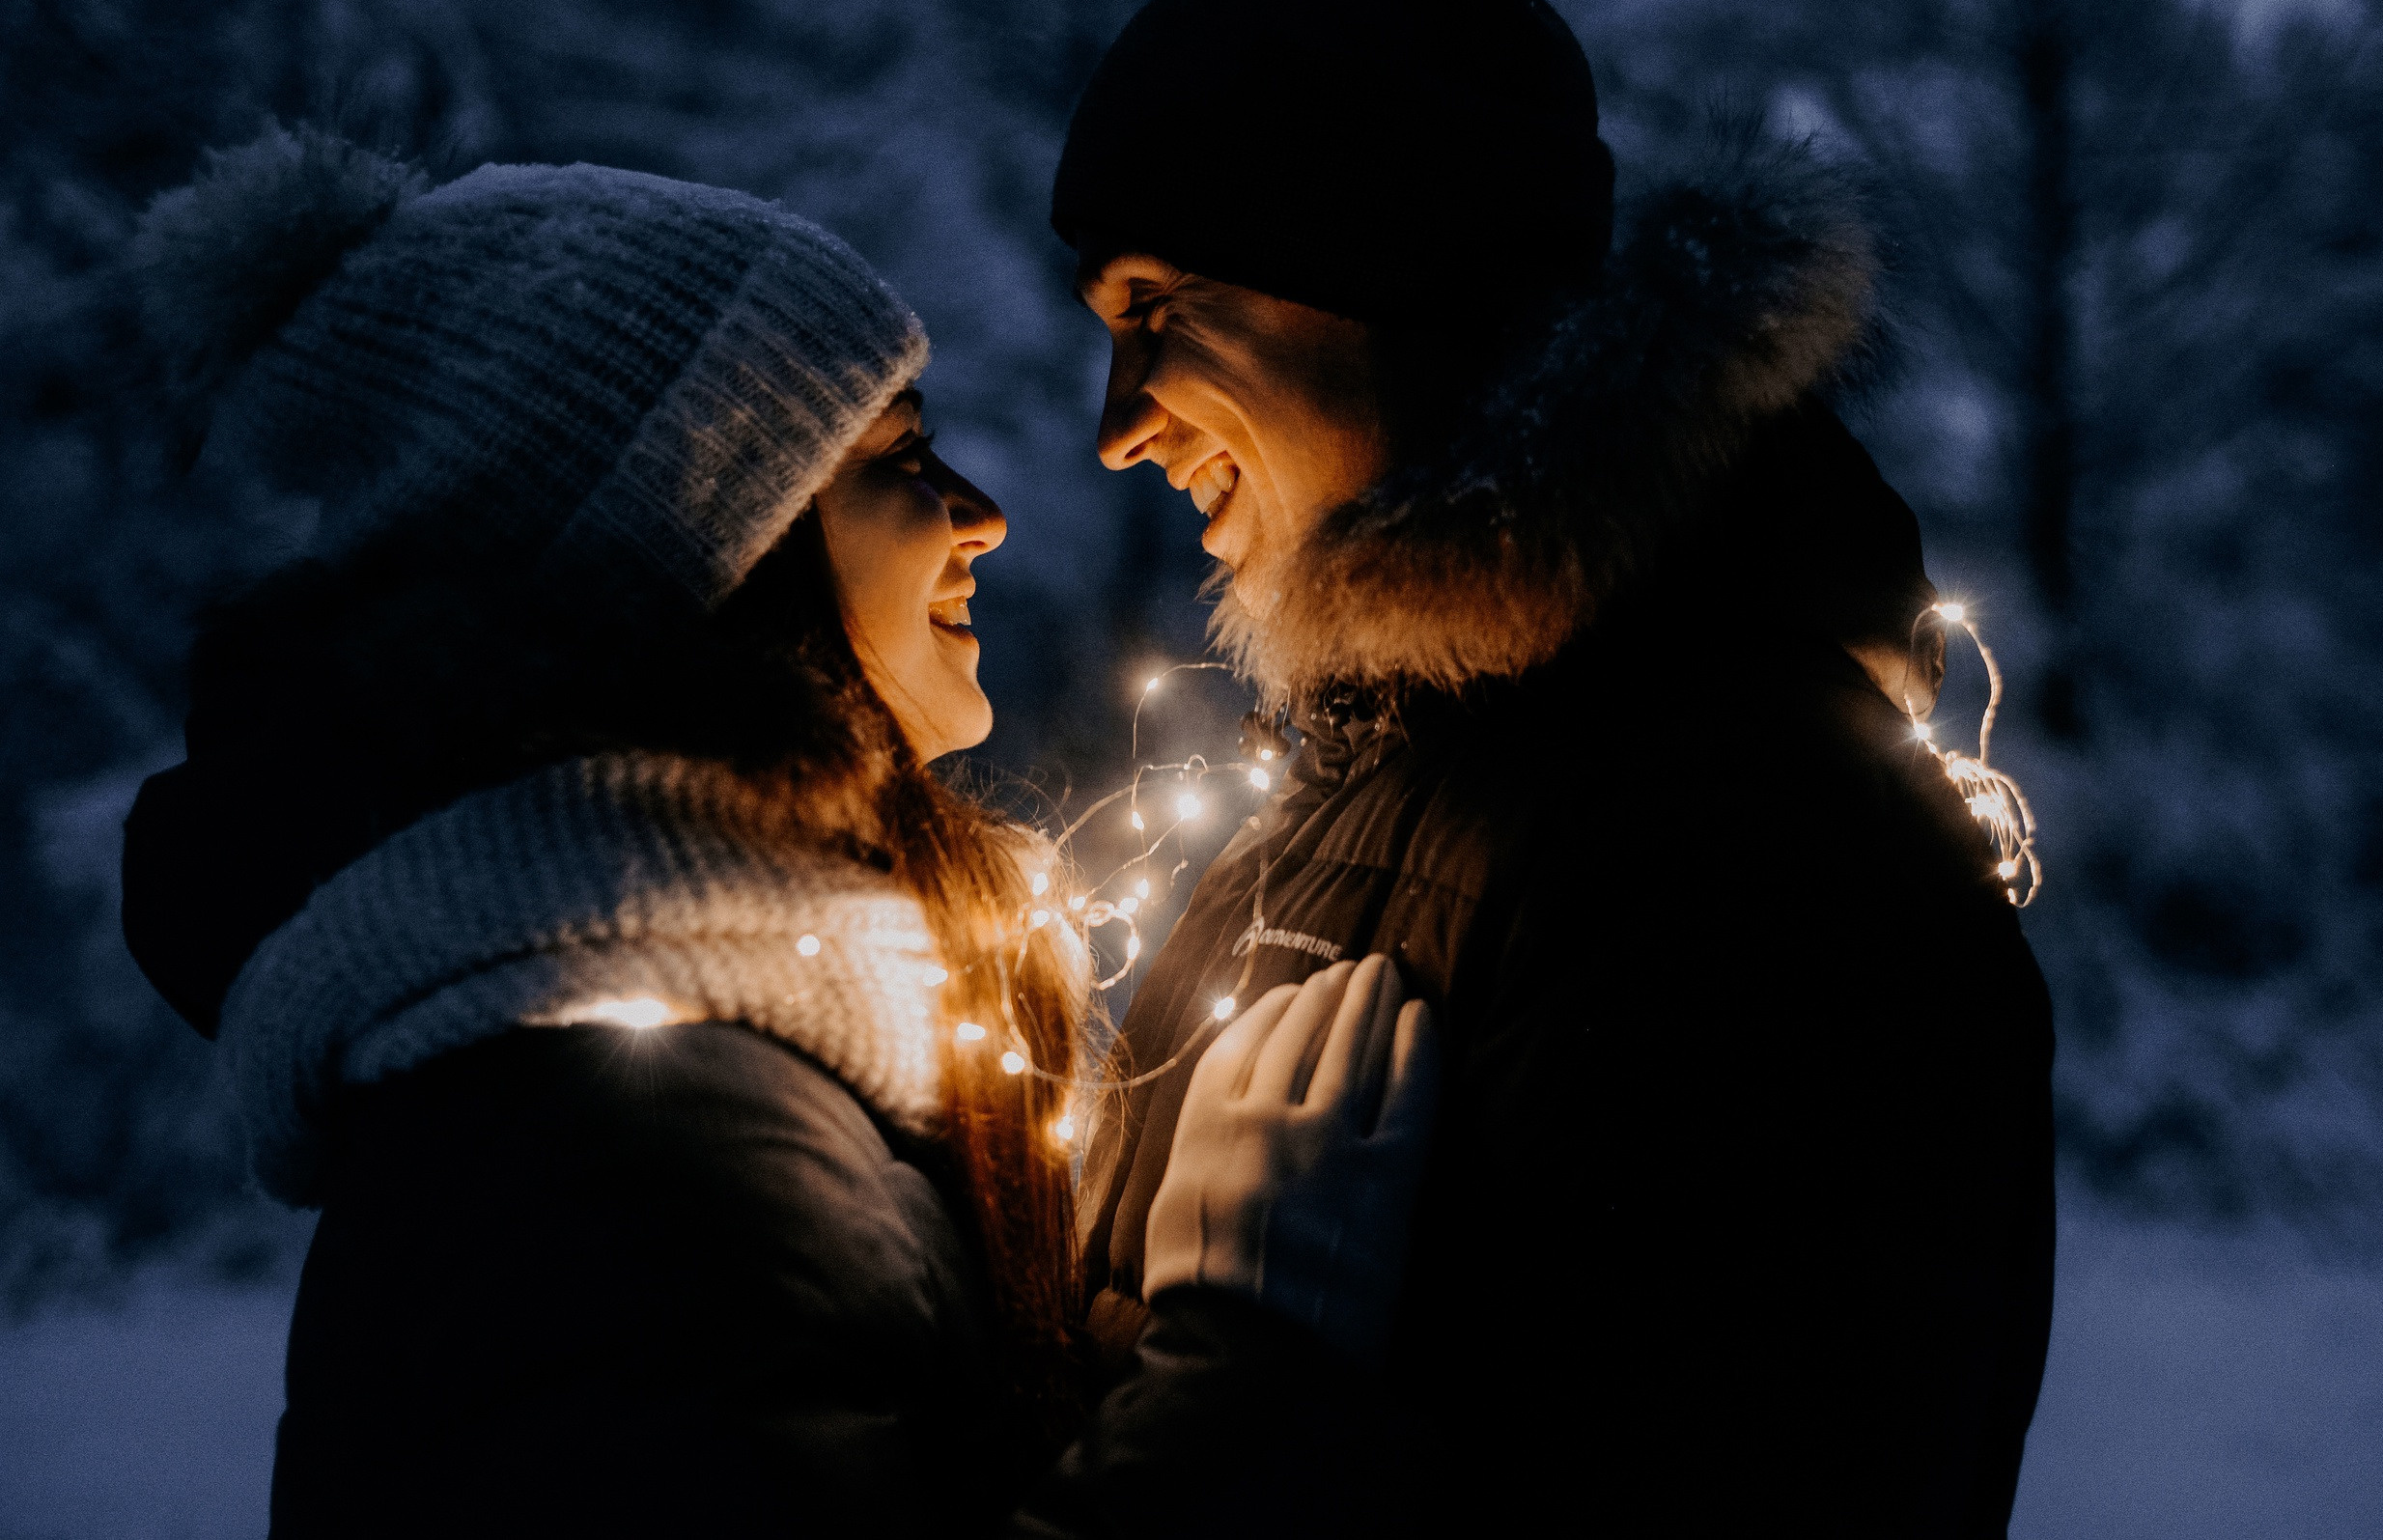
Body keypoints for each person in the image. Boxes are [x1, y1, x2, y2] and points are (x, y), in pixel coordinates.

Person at [118, 126, 1437, 1537]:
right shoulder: (614, 1143)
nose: (982, 517)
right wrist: (1247, 1354)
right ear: (717, 542)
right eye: (902, 456)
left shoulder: (709, 1072)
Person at [1052, 0, 2057, 1533]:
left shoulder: (1747, 858)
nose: (1117, 428)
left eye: (1158, 309)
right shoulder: (1371, 790)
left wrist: (1258, 1392)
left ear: (1367, 268)